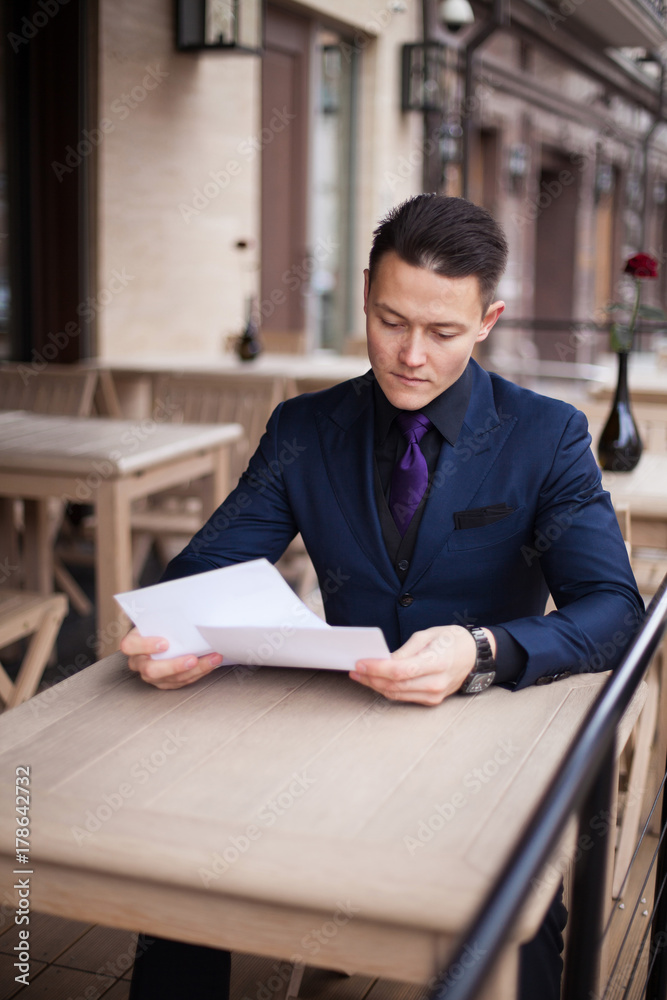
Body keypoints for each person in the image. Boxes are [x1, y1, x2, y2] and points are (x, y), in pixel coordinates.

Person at [123, 194, 643, 1000]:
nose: (408, 354)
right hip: (329, 725)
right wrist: (169, 630)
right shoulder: (303, 428)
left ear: (486, 320)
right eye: (389, 320)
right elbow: (202, 572)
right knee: (173, 873)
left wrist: (483, 650)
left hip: (485, 741)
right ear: (365, 293)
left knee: (514, 923)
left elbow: (613, 612)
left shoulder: (547, 435)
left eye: (440, 332)